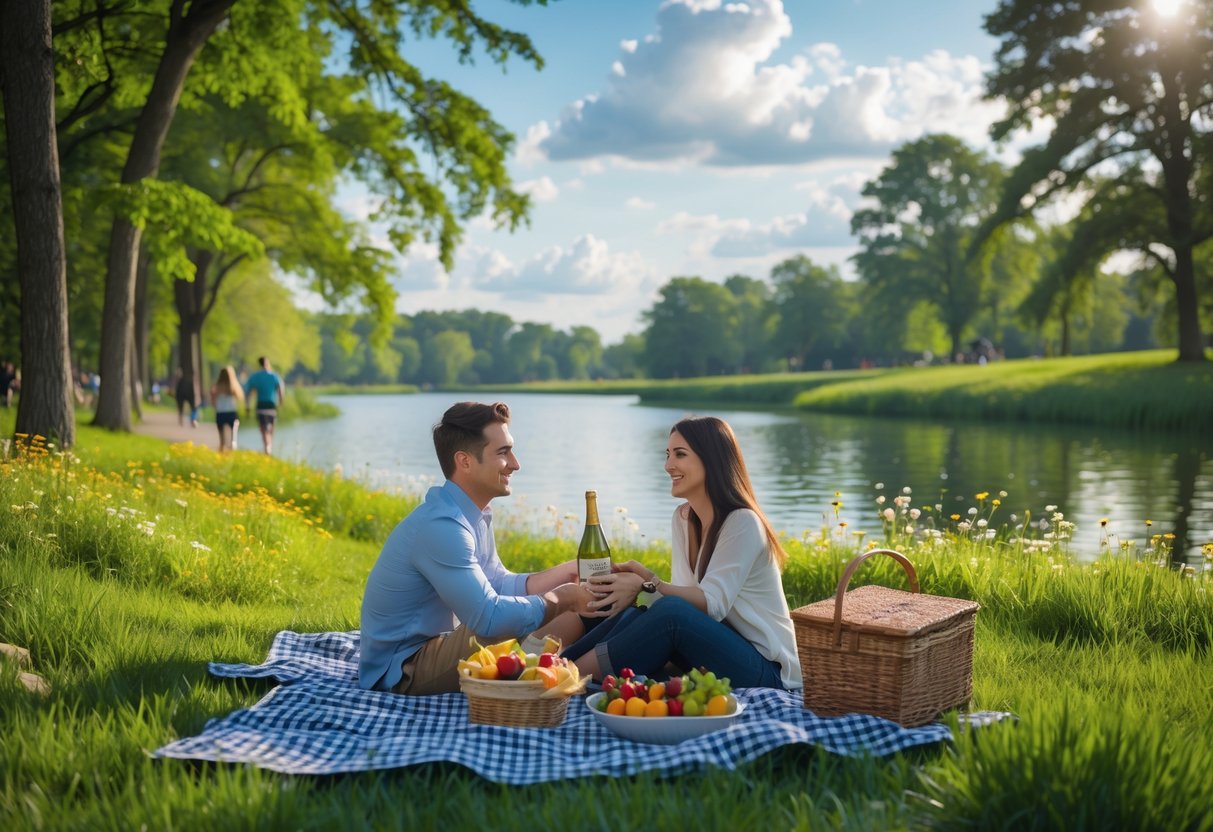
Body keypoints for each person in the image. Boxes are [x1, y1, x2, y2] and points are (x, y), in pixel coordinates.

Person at [359, 401, 599, 695]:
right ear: (465, 462)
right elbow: (487, 618)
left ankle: (532, 666)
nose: (515, 463)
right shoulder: (443, 526)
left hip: (439, 646)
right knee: (511, 618)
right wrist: (561, 598)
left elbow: (497, 582)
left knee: (569, 616)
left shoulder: (473, 514)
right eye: (503, 452)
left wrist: (566, 574)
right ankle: (534, 667)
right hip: (403, 670)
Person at [566, 416, 802, 691]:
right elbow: (685, 601)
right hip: (715, 652)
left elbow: (710, 606)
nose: (668, 466)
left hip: (767, 670)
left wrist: (648, 583)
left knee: (669, 613)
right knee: (636, 613)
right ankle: (557, 667)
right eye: (668, 455)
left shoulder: (742, 522)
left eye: (680, 454)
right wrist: (638, 585)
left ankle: (568, 681)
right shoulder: (683, 518)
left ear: (711, 459)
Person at [243, 356, 285, 455]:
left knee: (264, 429)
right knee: (271, 428)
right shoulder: (274, 376)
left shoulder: (255, 377)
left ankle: (267, 448)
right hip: (271, 405)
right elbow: (281, 390)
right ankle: (269, 447)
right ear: (268, 363)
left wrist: (247, 406)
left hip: (261, 405)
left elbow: (247, 391)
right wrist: (280, 402)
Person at [210, 366, 244, 452]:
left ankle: (221, 454)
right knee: (233, 437)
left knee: (222, 440)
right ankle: (232, 453)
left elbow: (213, 403)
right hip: (231, 413)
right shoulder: (234, 387)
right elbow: (240, 397)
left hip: (220, 413)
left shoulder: (216, 387)